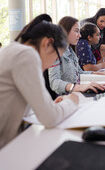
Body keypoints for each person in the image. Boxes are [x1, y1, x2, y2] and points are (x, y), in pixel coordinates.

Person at [0, 15, 79, 149]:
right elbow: (50, 118)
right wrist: (71, 102)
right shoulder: (27, 55)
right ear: (47, 43)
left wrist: (50, 105)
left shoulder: (13, 49)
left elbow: (19, 106)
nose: (51, 65)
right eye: (56, 58)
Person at [49, 16, 105, 96]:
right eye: (76, 31)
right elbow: (54, 82)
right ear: (65, 31)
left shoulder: (70, 51)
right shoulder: (55, 52)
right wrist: (77, 87)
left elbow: (80, 73)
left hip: (75, 94)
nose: (79, 35)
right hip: (65, 98)